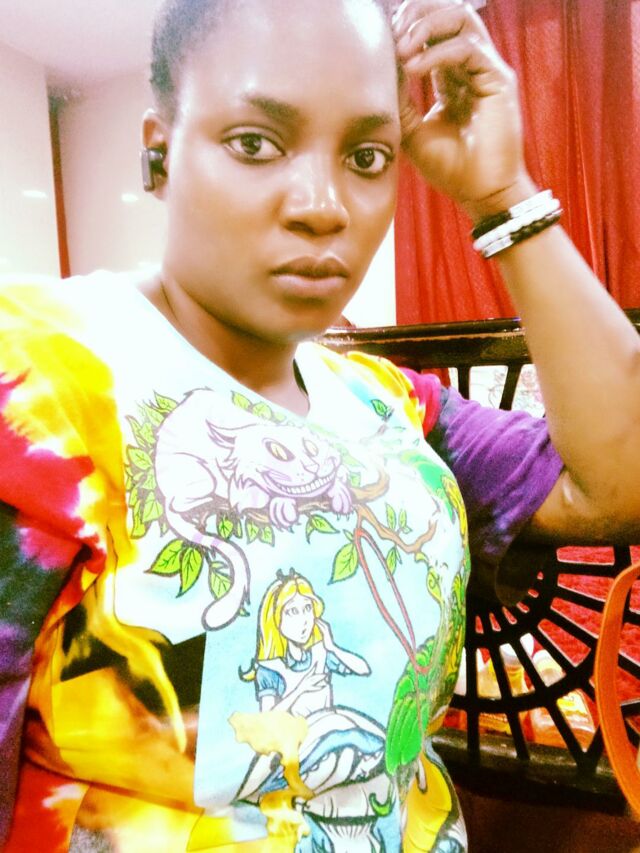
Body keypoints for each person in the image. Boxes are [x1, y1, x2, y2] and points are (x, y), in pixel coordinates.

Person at [1, 0, 638, 849]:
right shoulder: (38, 385)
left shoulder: (386, 403)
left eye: (367, 156)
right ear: (159, 151)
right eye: (255, 143)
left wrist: (502, 195)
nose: (322, 205)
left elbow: (621, 482)